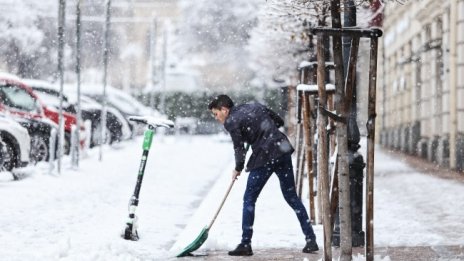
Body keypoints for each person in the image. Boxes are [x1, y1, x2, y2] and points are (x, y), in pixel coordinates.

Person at [208, 94, 318, 256]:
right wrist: (257, 131)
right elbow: (279, 121)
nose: (216, 118)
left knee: (249, 199)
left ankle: (245, 244)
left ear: (224, 110)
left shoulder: (231, 121)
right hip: (282, 149)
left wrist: (238, 167)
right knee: (291, 196)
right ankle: (311, 239)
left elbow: (238, 148)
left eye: (216, 114)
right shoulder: (253, 106)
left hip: (265, 155)